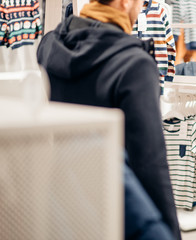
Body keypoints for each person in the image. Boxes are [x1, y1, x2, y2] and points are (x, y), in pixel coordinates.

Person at [36, 0, 181, 239]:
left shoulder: (49, 47)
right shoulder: (134, 66)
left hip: (62, 203)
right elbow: (150, 163)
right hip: (116, 207)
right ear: (123, 2)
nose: (142, 7)